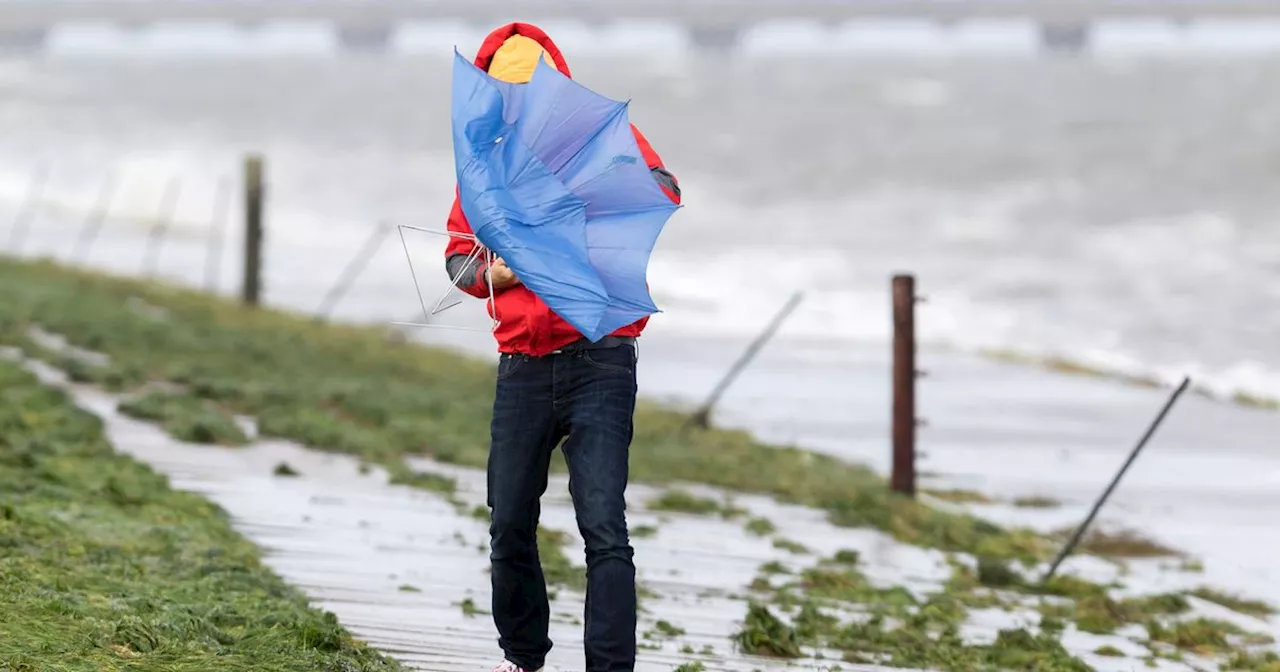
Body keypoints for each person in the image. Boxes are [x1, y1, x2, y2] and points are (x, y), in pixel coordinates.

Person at [442, 22, 681, 672]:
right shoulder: (483, 163)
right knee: (508, 523)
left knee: (604, 527)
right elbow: (459, 262)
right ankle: (522, 657)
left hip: (601, 357)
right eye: (508, 94)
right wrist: (503, 270)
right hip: (521, 366)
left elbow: (665, 187)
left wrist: (589, 197)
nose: (521, 107)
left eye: (533, 93)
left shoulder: (601, 138)